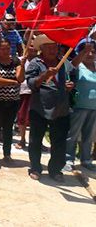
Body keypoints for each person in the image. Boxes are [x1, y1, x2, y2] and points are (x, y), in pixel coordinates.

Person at [25, 34, 74, 182]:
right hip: (40, 107)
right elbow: (31, 84)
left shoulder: (65, 63)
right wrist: (45, 74)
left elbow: (72, 77)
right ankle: (35, 167)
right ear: (42, 49)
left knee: (59, 141)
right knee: (36, 139)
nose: (53, 50)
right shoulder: (36, 63)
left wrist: (70, 85)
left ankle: (55, 169)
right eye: (49, 48)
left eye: (55, 47)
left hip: (61, 108)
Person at [0, 37, 26, 161]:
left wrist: (23, 65)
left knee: (8, 127)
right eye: (3, 49)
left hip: (13, 100)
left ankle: (7, 154)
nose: (6, 51)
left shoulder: (15, 61)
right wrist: (13, 82)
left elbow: (20, 79)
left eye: (8, 48)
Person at [65, 41, 96, 171]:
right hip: (79, 106)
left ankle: (86, 159)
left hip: (94, 107)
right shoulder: (78, 66)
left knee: (89, 135)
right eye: (87, 51)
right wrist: (83, 52)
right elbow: (70, 67)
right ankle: (68, 159)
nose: (90, 54)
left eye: (93, 51)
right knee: (73, 134)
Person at [17, 44, 39, 149]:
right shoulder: (20, 59)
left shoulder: (40, 61)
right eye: (30, 46)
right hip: (22, 91)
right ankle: (22, 139)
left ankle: (35, 141)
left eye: (34, 47)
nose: (33, 48)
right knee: (22, 116)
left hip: (36, 92)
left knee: (35, 118)